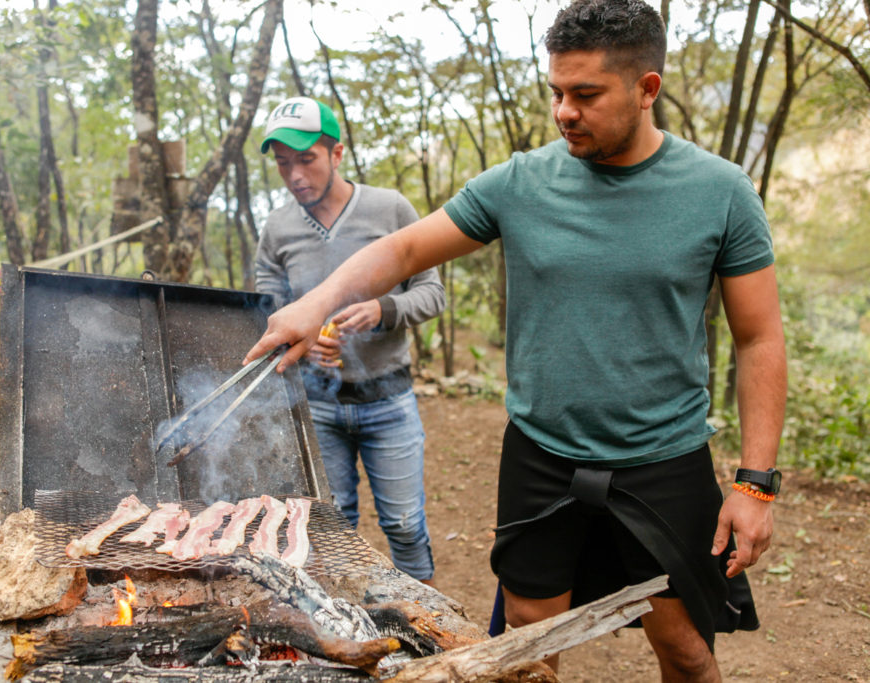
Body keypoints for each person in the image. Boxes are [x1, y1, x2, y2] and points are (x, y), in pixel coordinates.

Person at [245, 2, 787, 680]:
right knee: (527, 642)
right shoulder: (522, 181)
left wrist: (756, 485)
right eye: (556, 92)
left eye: (585, 94)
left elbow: (759, 337)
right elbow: (405, 248)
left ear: (646, 88)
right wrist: (313, 305)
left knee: (682, 645)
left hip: (664, 457)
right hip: (542, 454)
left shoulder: (720, 191)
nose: (564, 111)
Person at [254, 96, 445, 586]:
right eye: (283, 163)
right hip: (317, 407)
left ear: (337, 154)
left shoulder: (389, 208)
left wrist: (384, 310)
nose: (295, 175)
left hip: (388, 400)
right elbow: (266, 310)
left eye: (306, 159)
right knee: (331, 530)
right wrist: (300, 344)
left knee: (404, 525)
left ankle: (426, 616)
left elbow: (433, 293)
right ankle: (342, 620)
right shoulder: (277, 228)